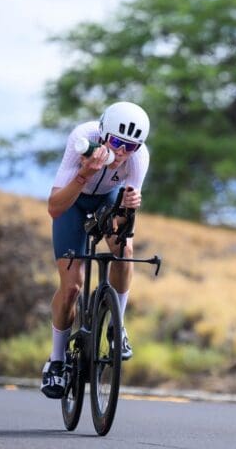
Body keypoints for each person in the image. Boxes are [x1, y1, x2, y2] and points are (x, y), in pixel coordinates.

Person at [40, 101, 150, 399]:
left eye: (131, 146)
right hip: (72, 203)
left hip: (107, 201)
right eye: (116, 143)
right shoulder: (81, 139)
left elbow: (121, 223)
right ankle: (57, 360)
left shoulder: (138, 158)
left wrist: (127, 208)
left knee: (124, 249)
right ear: (102, 135)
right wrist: (84, 174)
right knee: (73, 286)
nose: (123, 153)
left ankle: (117, 326)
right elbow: (54, 207)